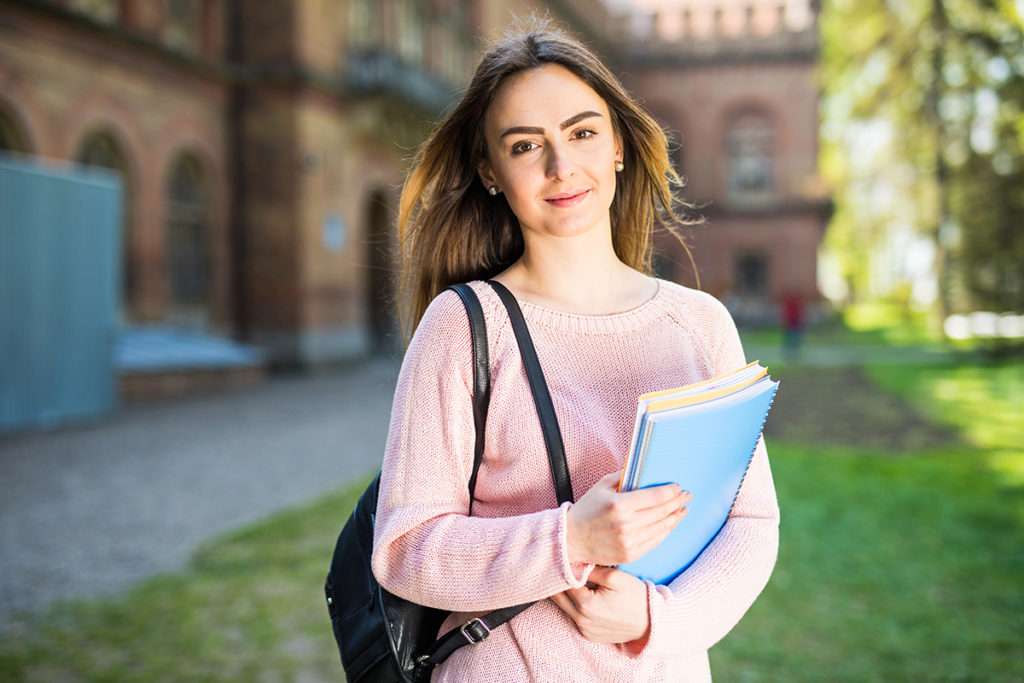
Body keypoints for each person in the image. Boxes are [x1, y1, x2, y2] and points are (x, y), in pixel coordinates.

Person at [371, 23, 779, 682]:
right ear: (491, 172)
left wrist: (656, 617)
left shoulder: (700, 323)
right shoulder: (464, 326)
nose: (561, 167)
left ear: (618, 143)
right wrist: (571, 538)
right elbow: (405, 548)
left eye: (582, 132)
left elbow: (753, 523)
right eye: (526, 145)